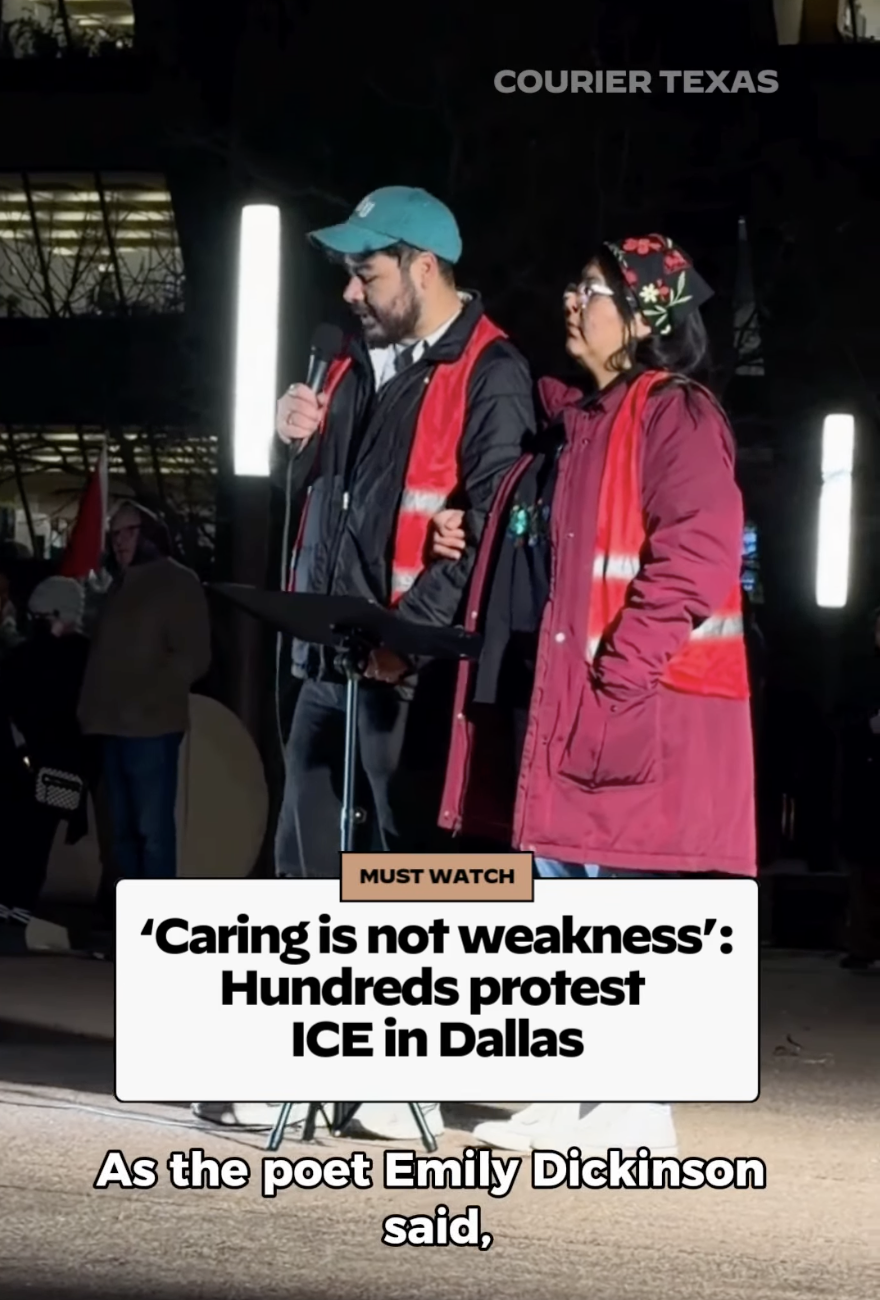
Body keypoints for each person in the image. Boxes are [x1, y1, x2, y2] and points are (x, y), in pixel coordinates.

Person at [193, 187, 534, 1144]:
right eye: (347, 273)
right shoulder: (344, 364)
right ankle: (305, 1063)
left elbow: (485, 534)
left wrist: (404, 638)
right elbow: (328, 503)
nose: (349, 292)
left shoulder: (492, 372)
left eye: (366, 272)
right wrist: (293, 441)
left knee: (404, 873)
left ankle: (400, 1072)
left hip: (411, 671)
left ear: (424, 268)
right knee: (306, 862)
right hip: (327, 654)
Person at [431, 233, 756, 1154]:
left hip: (637, 703)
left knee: (625, 907)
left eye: (593, 292)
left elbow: (699, 550)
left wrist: (620, 674)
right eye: (574, 288)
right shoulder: (582, 422)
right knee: (569, 898)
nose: (571, 303)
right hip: (580, 704)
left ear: (645, 317)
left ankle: (633, 1108)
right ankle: (574, 1093)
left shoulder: (674, 413)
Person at [77, 502, 211, 880]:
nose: (119, 541)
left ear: (149, 533)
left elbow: (194, 655)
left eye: (129, 531)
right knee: (121, 833)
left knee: (151, 833)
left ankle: (155, 911)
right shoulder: (118, 584)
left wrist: (146, 697)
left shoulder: (176, 581)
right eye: (114, 533)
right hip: (110, 724)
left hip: (150, 726)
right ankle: (129, 908)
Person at [0, 577, 96, 948]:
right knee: (36, 843)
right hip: (59, 768)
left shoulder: (21, 657)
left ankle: (8, 910)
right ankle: (19, 913)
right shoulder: (85, 657)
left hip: (18, 763)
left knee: (14, 837)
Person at [837, 607, 880, 970]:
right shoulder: (861, 672)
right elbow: (840, 718)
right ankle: (863, 943)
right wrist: (869, 725)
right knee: (865, 869)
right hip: (867, 781)